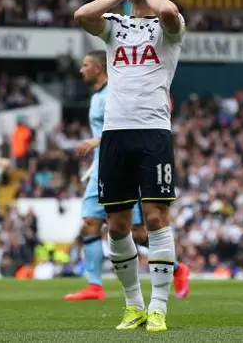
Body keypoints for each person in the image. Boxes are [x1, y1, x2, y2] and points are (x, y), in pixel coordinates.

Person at [74, 0, 185, 332]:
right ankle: (133, 304)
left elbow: (167, 12)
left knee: (155, 219)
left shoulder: (170, 25)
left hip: (153, 132)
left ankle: (159, 307)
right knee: (117, 226)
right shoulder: (114, 24)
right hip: (116, 134)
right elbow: (81, 16)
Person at [64, 51, 190, 301]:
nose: (81, 70)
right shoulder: (97, 96)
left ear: (99, 68)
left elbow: (125, 127)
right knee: (90, 223)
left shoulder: (114, 92)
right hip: (101, 166)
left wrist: (97, 140)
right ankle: (95, 285)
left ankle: (176, 268)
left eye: (86, 65)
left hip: (121, 164)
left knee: (135, 232)